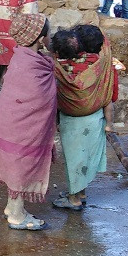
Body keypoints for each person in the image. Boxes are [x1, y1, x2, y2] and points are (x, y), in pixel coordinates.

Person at [0, 12, 57, 231]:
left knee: (16, 165)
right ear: (40, 38)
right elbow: (38, 99)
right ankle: (16, 213)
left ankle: (12, 206)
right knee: (22, 165)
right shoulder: (33, 67)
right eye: (48, 33)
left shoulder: (21, 57)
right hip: (21, 127)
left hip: (5, 120)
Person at [51, 23, 117, 212]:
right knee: (83, 158)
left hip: (72, 120)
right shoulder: (100, 63)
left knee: (74, 160)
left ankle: (74, 200)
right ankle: (81, 193)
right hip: (96, 117)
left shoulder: (62, 66)